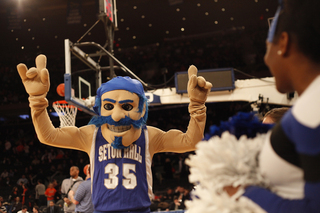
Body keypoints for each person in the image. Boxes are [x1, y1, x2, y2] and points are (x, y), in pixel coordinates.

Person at [16, 55, 211, 213]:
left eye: (127, 106)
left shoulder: (148, 135)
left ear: (142, 109)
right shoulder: (90, 135)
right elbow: (48, 136)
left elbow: (190, 142)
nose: (117, 116)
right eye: (109, 107)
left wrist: (197, 108)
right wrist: (37, 100)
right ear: (100, 108)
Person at [227, 0, 320, 212]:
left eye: (267, 48)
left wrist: (241, 191)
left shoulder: (312, 108)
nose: (265, 59)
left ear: (284, 43)